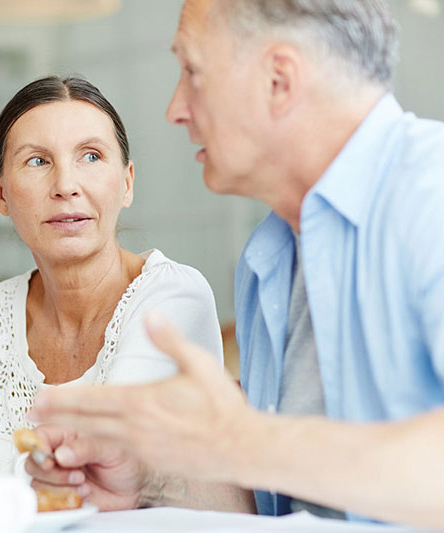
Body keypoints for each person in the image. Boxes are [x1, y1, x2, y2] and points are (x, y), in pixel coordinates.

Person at [25, 0, 444, 529]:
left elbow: (261, 451)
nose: (175, 108)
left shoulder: (433, 193)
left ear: (278, 80)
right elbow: (279, 503)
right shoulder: (269, 255)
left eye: (192, 72)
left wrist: (249, 441)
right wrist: (147, 480)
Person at [0, 75, 254, 511]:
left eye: (91, 156)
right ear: (0, 192)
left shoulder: (172, 298)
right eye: (37, 161)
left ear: (127, 182)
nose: (66, 185)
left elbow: (92, 478)